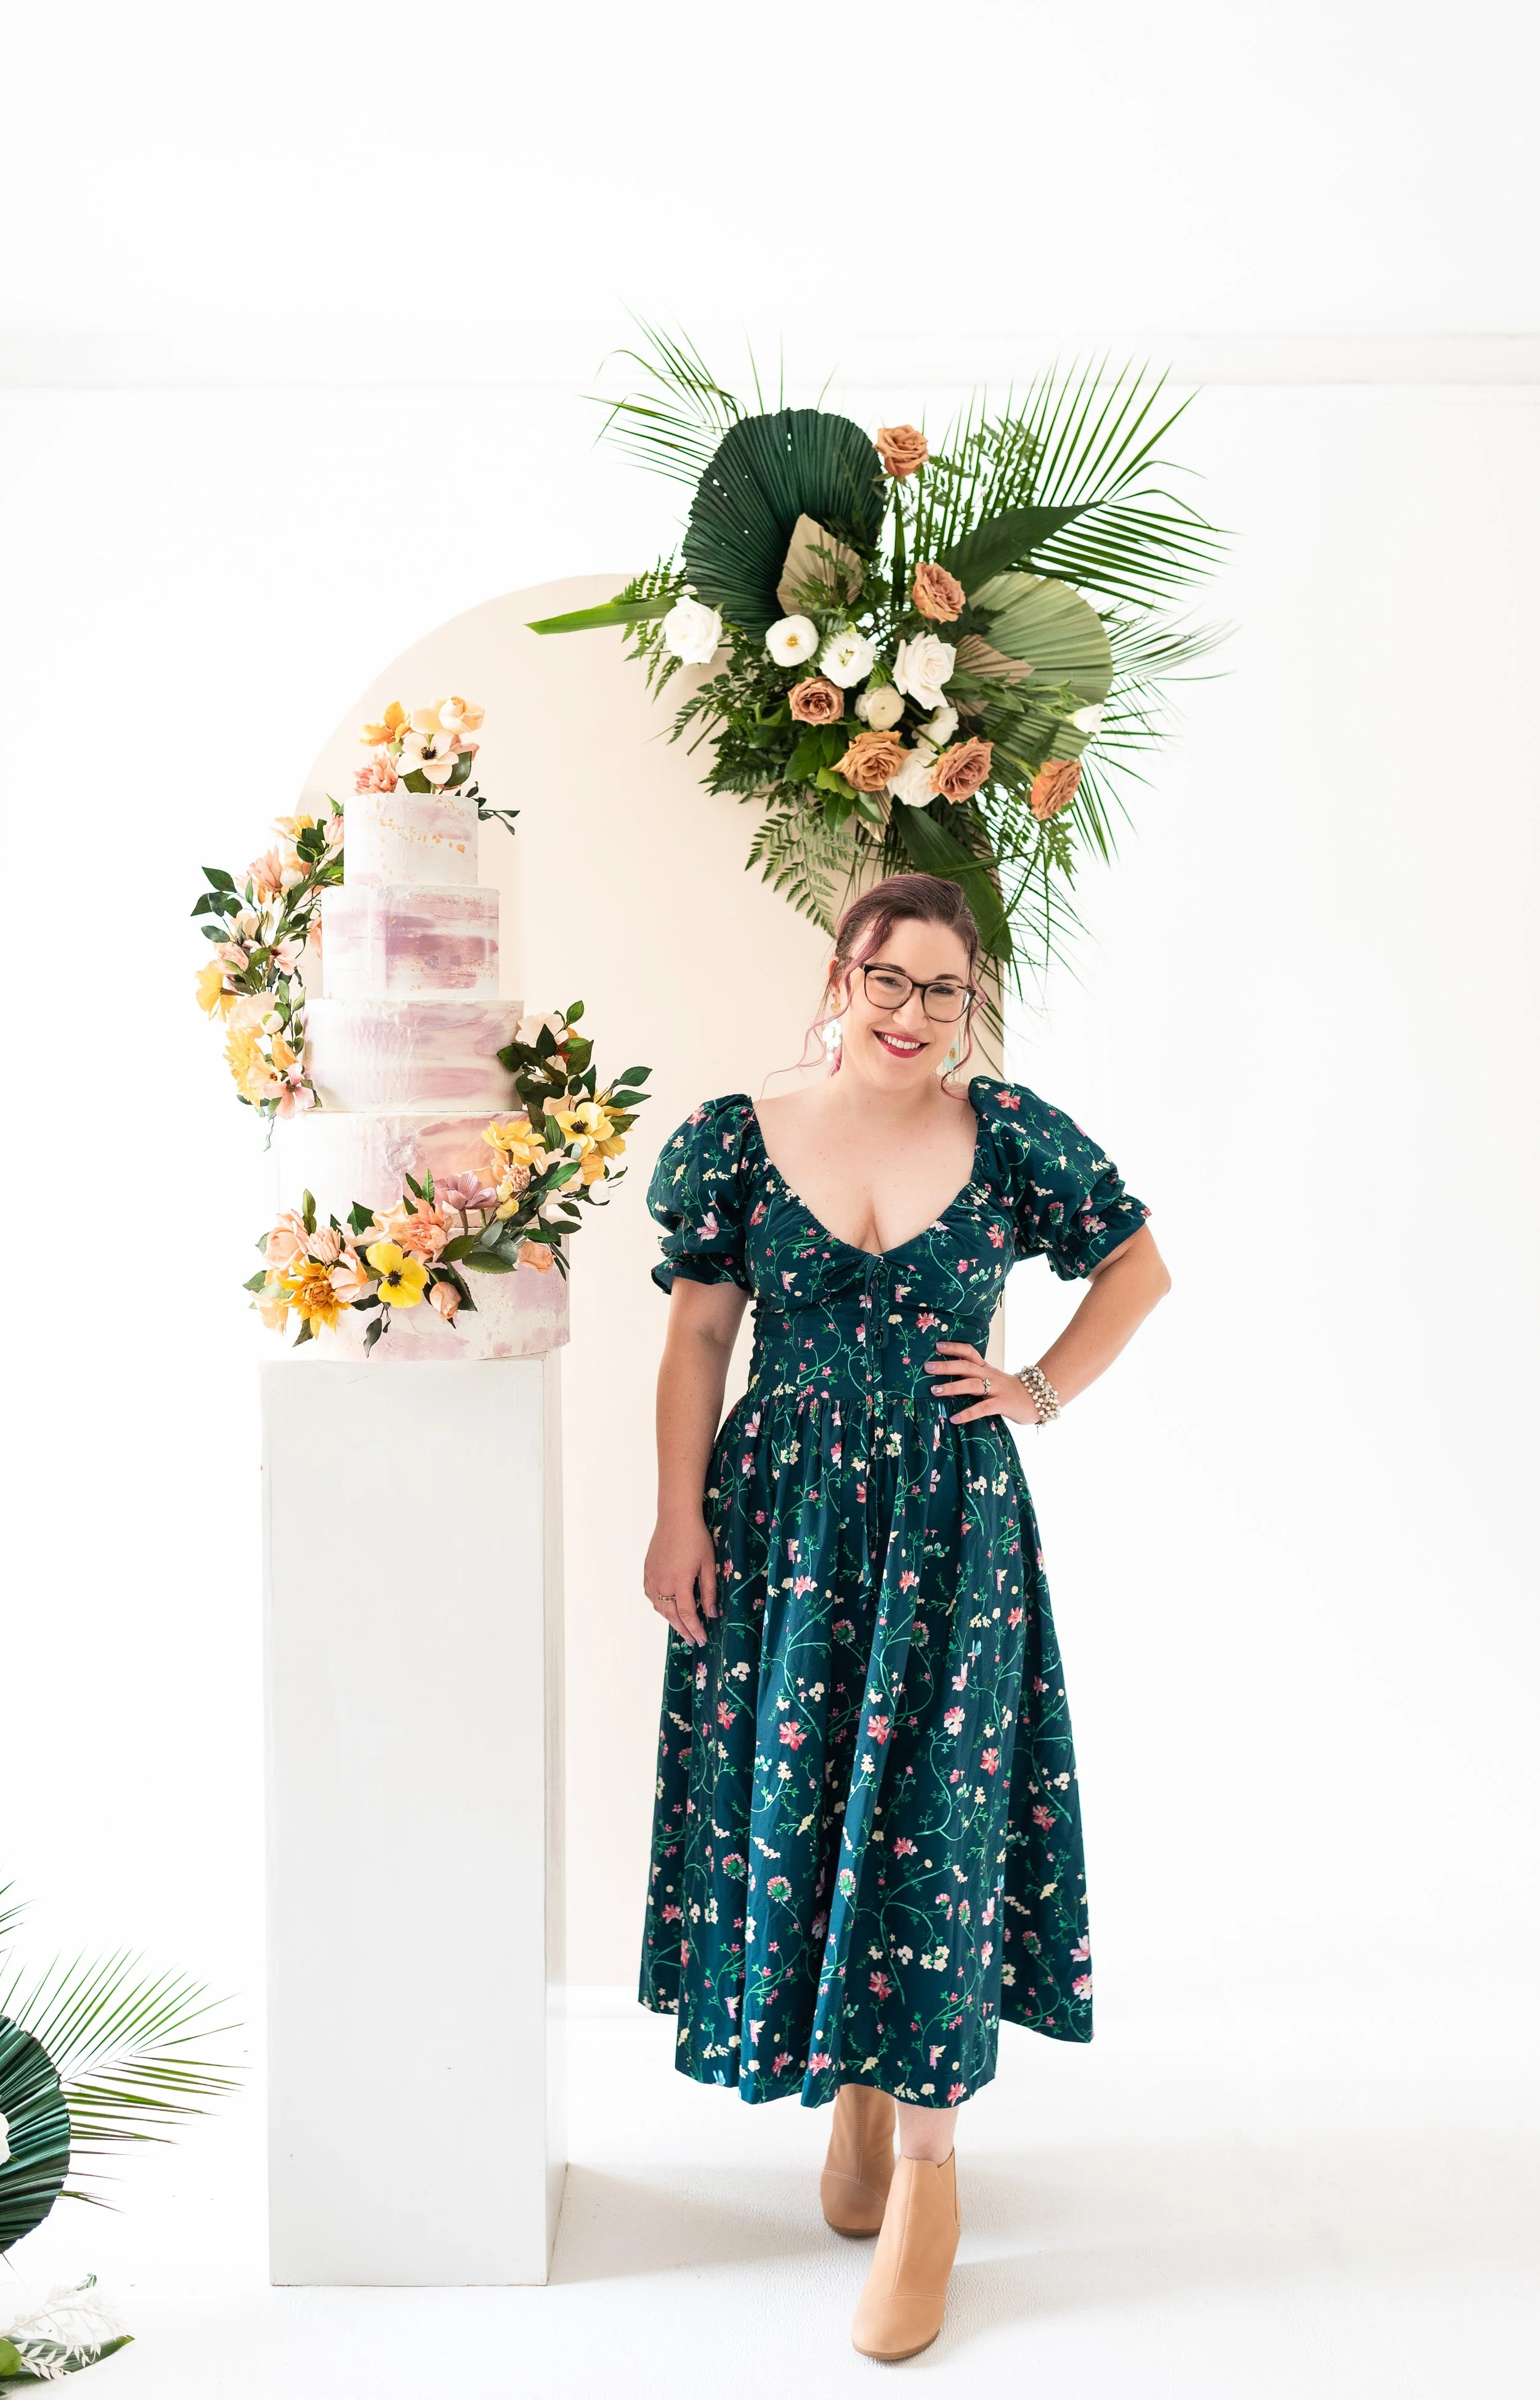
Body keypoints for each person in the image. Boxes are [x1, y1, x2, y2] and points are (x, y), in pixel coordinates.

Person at [638, 872, 1171, 2361]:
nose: (913, 1017)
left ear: (968, 1005)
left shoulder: (1004, 1135)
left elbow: (1136, 1262)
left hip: (952, 1533)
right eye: (891, 982)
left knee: (934, 1824)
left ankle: (926, 2176)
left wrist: (1034, 1388)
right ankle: (855, 2101)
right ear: (841, 972)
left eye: (944, 993)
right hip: (782, 1533)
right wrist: (676, 1511)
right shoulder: (738, 1138)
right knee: (810, 1807)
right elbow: (694, 1329)